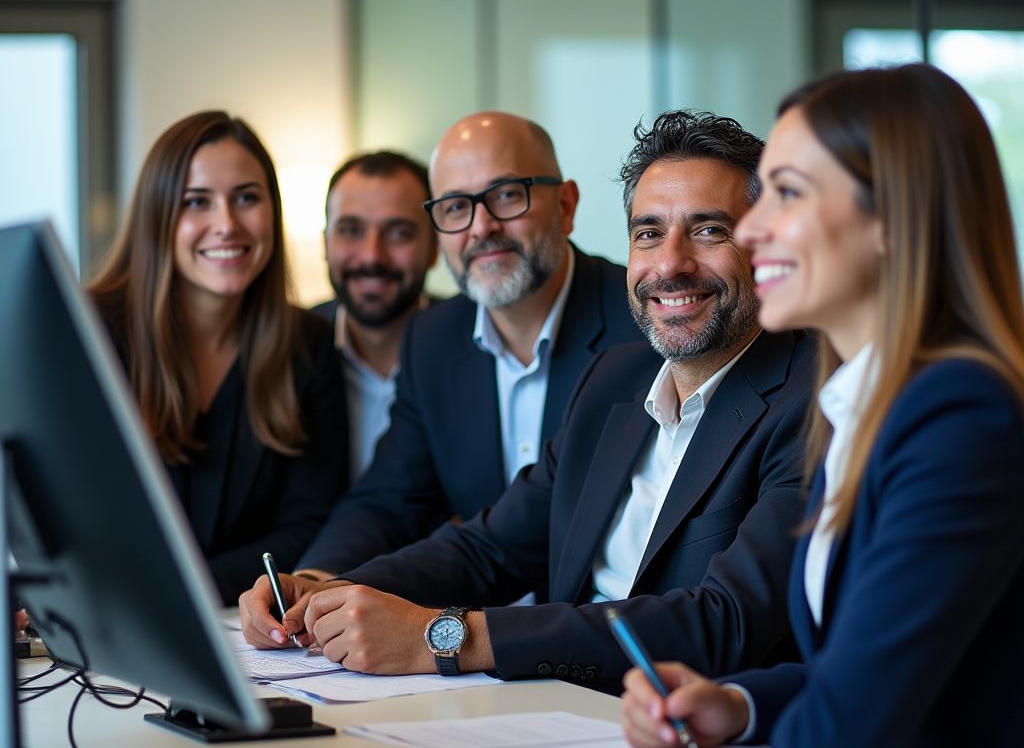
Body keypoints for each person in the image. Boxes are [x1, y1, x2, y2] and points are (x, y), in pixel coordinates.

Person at [240, 109, 816, 691]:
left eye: (709, 230)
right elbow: (491, 547)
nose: (669, 263)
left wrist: (446, 637)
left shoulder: (815, 400)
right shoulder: (617, 378)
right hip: (551, 711)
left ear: (766, 244)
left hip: (696, 732)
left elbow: (726, 622)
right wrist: (322, 592)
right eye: (648, 233)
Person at [620, 65, 1024, 748]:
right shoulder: (864, 403)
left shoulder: (962, 416)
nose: (751, 228)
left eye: (789, 193)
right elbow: (857, 673)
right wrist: (734, 704)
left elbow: (844, 737)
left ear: (895, 220)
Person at [244, 110, 643, 596]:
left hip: (610, 641)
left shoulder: (641, 322)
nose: (481, 227)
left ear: (564, 205)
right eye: (456, 207)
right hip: (474, 648)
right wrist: (312, 581)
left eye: (506, 195)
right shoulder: (432, 339)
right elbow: (387, 499)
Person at [89, 111, 349, 603]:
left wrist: (185, 590)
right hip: (107, 620)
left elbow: (308, 523)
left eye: (246, 198)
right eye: (196, 202)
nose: (226, 225)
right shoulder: (90, 332)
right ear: (159, 216)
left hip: (237, 626)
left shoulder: (308, 344)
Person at [311, 151, 438, 480]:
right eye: (351, 230)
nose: (371, 255)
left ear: (435, 247)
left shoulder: (478, 345)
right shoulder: (284, 349)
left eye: (399, 233)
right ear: (324, 243)